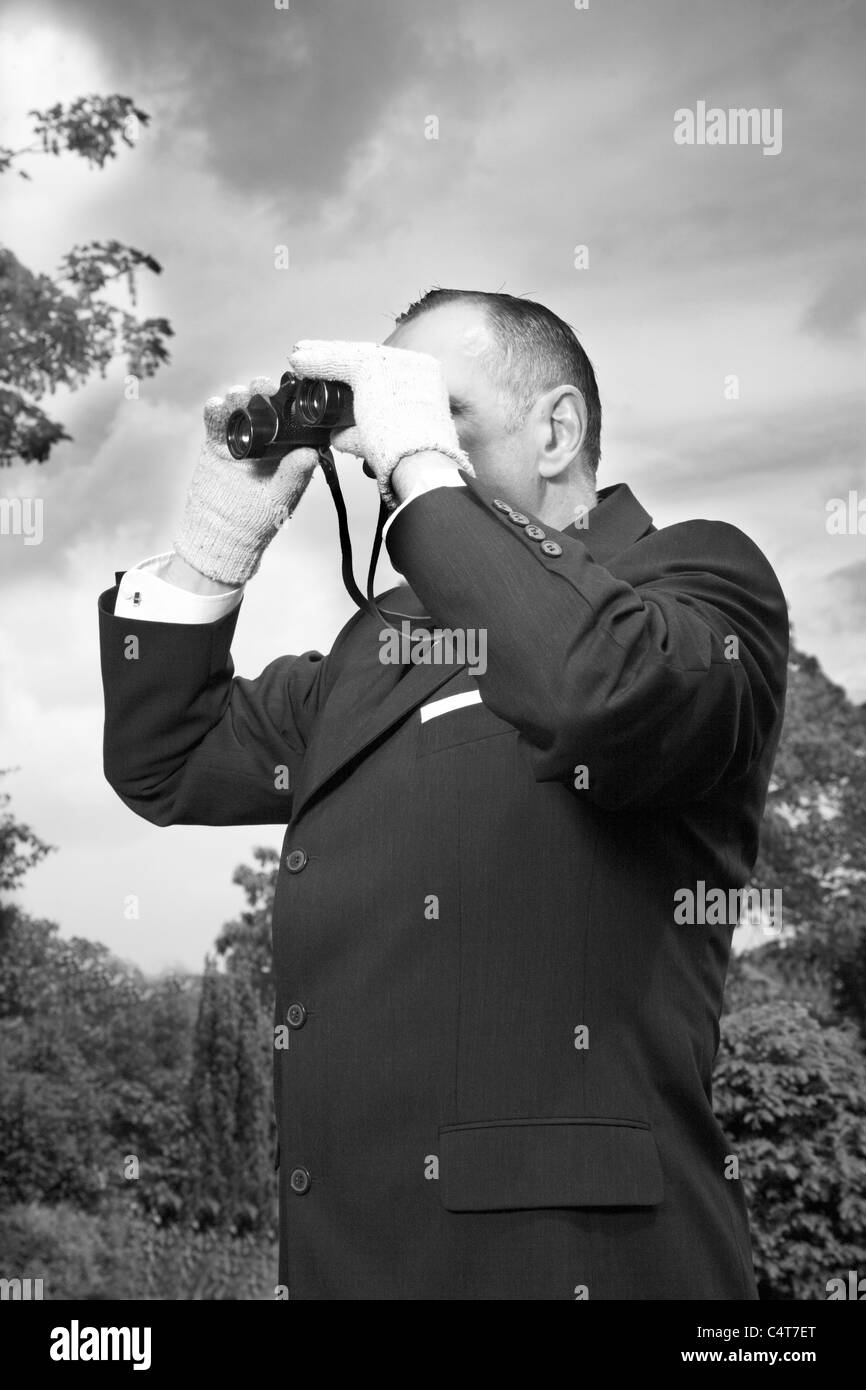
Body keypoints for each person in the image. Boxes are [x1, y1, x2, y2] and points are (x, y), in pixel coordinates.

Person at [98, 288, 789, 1300]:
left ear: (555, 430)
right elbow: (170, 760)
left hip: (569, 1265)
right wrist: (214, 548)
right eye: (379, 420)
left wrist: (425, 470)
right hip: (349, 1261)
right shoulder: (380, 643)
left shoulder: (690, 579)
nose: (383, 448)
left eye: (428, 408)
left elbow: (593, 687)